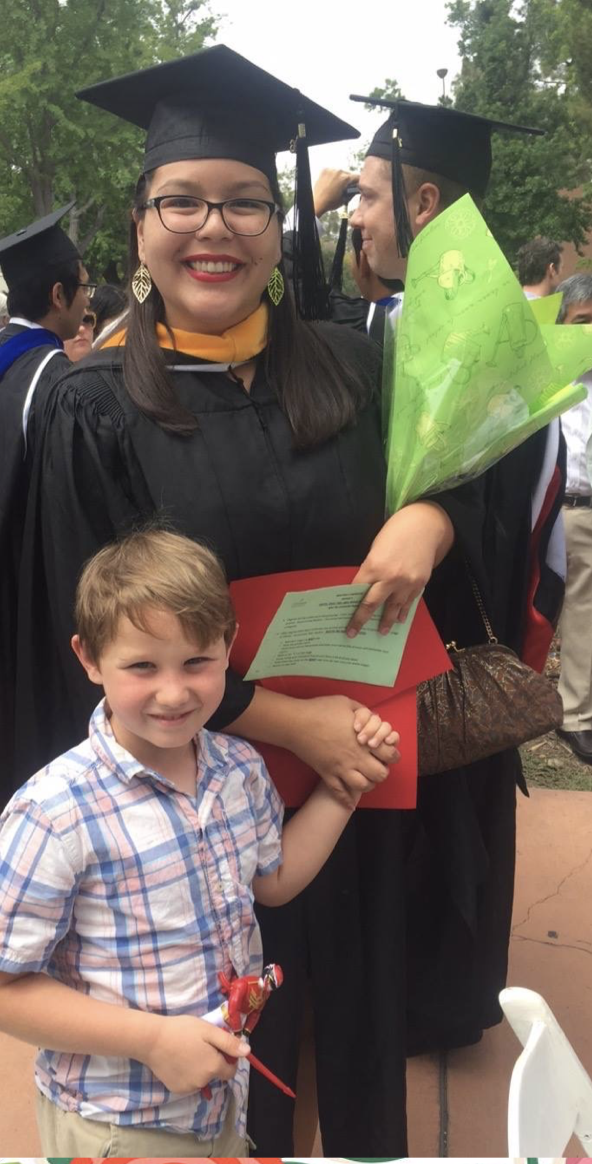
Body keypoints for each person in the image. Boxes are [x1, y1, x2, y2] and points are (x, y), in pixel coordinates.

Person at [10, 46, 486, 1155]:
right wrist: (291, 723)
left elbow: (461, 471)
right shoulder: (93, 408)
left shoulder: (352, 372)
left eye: (244, 203)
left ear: (282, 227)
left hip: (358, 772)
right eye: (182, 201)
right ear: (139, 228)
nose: (212, 227)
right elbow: (94, 628)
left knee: (362, 1012)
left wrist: (436, 512)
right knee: (228, 1029)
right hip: (198, 789)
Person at [0, 527, 397, 1156]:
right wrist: (153, 1040)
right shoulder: (54, 812)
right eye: (142, 665)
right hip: (117, 1121)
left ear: (229, 645)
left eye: (197, 661)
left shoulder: (239, 768)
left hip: (221, 1099)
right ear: (89, 659)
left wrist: (341, 792)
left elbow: (272, 883)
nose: (174, 692)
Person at [349, 97, 555, 1055]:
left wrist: (435, 517)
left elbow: (507, 485)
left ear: (424, 201)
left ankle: (439, 1001)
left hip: (452, 626)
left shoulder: (487, 332)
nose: (352, 215)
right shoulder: (391, 315)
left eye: (367, 195)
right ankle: (390, 981)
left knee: (447, 814)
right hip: (384, 630)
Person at [0, 203, 92, 819]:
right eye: (83, 287)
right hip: (35, 607)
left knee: (10, 754)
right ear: (59, 293)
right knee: (47, 753)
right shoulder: (56, 379)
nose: (87, 300)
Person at [553, 275, 592, 761]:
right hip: (557, 515)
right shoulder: (547, 381)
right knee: (536, 611)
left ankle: (575, 713)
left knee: (584, 615)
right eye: (582, 321)